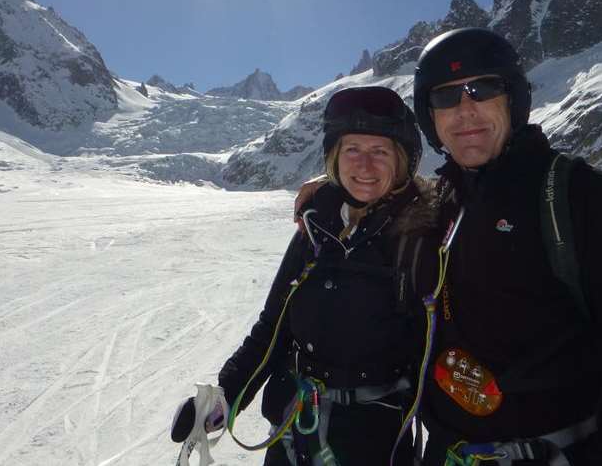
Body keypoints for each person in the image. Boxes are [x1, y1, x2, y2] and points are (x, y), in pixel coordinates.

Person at [410, 28, 602, 466]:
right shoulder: (439, 201)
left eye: (483, 89)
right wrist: (329, 192)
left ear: (513, 99)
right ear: (430, 117)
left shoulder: (576, 195)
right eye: (446, 97)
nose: (465, 109)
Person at [171, 86, 441, 465]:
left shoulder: (424, 238)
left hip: (377, 444)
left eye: (380, 151)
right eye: (352, 150)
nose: (364, 166)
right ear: (334, 158)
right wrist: (224, 398)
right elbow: (272, 329)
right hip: (295, 432)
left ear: (401, 162)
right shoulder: (316, 231)